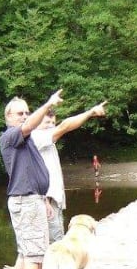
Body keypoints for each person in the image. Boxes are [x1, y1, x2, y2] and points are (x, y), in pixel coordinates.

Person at [0, 90, 63, 269]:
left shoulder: (25, 140)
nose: (25, 116)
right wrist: (48, 105)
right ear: (8, 117)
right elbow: (28, 126)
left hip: (30, 198)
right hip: (26, 200)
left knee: (24, 252)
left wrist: (43, 198)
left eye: (27, 112)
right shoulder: (11, 136)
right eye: (20, 113)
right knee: (35, 254)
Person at [31, 101, 107, 244]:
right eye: (47, 122)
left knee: (55, 241)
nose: (51, 126)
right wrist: (90, 112)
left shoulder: (48, 141)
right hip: (46, 200)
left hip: (52, 200)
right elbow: (65, 126)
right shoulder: (36, 137)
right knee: (55, 244)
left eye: (53, 123)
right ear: (36, 123)